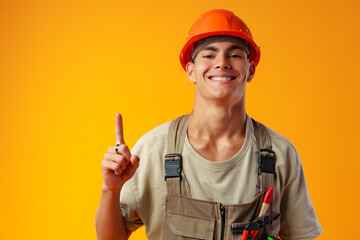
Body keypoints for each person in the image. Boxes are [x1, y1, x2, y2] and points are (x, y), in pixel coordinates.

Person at [95, 9, 322, 240]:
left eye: (234, 55)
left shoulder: (280, 154)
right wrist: (110, 190)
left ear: (250, 70)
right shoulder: (152, 150)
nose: (222, 63)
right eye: (209, 55)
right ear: (190, 70)